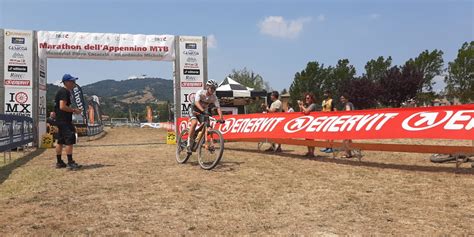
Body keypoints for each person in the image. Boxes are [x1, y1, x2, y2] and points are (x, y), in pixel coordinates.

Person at [187, 79, 224, 154]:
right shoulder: (200, 93)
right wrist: (203, 111)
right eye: (212, 88)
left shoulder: (214, 97)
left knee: (208, 128)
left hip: (203, 111)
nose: (213, 90)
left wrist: (221, 117)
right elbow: (197, 103)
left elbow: (218, 108)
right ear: (207, 87)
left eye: (214, 89)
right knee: (194, 123)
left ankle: (205, 143)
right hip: (194, 109)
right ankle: (188, 143)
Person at [54, 74, 83, 170]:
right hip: (64, 120)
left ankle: (59, 162)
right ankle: (70, 163)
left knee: (60, 140)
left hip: (60, 120)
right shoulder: (64, 92)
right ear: (66, 82)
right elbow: (62, 106)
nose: (74, 83)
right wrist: (74, 110)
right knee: (69, 139)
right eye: (72, 81)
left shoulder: (64, 91)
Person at [298, 92, 318, 157]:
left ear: (311, 99)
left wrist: (302, 106)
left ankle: (312, 152)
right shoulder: (307, 105)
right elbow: (301, 112)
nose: (306, 99)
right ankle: (309, 151)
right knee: (307, 138)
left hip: (312, 123)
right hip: (307, 123)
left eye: (308, 98)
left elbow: (306, 111)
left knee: (311, 138)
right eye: (306, 98)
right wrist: (301, 106)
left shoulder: (313, 105)